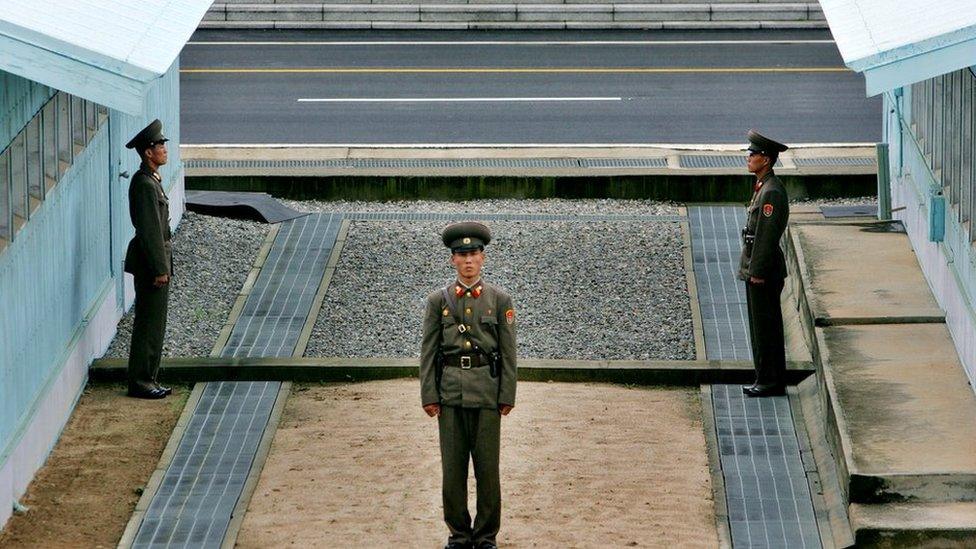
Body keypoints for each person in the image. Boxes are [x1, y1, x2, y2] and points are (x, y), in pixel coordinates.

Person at [420, 222, 517, 549]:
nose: (468, 260)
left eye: (473, 253)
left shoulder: (500, 300)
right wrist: (429, 395)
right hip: (450, 395)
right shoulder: (438, 301)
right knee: (453, 471)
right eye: (461, 255)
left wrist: (507, 395)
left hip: (487, 395)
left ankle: (486, 536)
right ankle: (459, 535)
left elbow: (508, 353)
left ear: (483, 257)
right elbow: (429, 352)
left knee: (488, 471)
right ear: (452, 260)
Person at [123, 119, 173, 400]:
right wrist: (159, 268)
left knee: (156, 325)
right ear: (147, 152)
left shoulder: (151, 181)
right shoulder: (144, 185)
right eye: (159, 145)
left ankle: (149, 378)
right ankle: (141, 381)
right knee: (148, 325)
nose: (164, 148)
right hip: (151, 264)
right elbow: (150, 230)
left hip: (157, 261)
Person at [739, 130, 790, 398]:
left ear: (766, 160)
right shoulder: (763, 187)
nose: (749, 158)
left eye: (753, 154)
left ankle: (771, 380)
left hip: (764, 272)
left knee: (767, 328)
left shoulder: (771, 192)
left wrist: (756, 272)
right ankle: (765, 376)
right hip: (756, 268)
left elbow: (767, 237)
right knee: (760, 328)